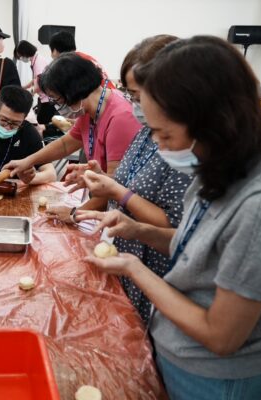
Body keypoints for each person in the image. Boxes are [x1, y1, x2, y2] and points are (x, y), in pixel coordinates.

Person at [80, 36, 261, 400]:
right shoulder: (224, 160)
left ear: (212, 121)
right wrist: (139, 230)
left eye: (165, 135)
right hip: (181, 354)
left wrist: (134, 268)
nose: (159, 146)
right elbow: (197, 241)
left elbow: (221, 335)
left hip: (219, 378)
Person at [59, 35, 192, 324]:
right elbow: (125, 180)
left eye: (137, 95)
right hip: (132, 260)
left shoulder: (182, 145)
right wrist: (97, 175)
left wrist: (115, 192)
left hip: (158, 273)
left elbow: (177, 227)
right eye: (130, 95)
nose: (134, 104)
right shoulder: (147, 132)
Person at [4, 53, 140, 184]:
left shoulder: (120, 118)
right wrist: (27, 161)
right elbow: (66, 144)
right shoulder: (89, 110)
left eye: (57, 99)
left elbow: (114, 185)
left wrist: (76, 209)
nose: (57, 106)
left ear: (73, 90)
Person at [48, 30, 114, 89]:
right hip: (110, 94)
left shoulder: (71, 63)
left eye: (51, 51)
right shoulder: (81, 57)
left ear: (55, 50)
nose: (51, 56)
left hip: (103, 99)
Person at [14, 40, 55, 127]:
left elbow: (39, 86)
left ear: (25, 52)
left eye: (20, 56)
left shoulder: (38, 62)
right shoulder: (36, 60)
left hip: (47, 100)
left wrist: (28, 94)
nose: (21, 58)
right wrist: (23, 87)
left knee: (41, 125)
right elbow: (36, 79)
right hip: (44, 99)